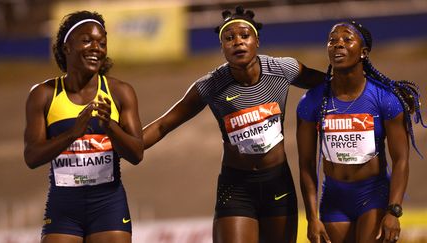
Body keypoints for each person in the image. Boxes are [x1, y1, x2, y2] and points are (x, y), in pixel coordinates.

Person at [142, 5, 325, 243]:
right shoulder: (211, 85)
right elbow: (163, 125)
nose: (237, 42)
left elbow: (332, 84)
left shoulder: (282, 69)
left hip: (277, 183)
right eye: (229, 38)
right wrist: (119, 147)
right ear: (222, 47)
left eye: (244, 36)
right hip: (236, 187)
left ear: (256, 40)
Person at [296, 21, 426, 243]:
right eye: (332, 40)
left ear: (364, 52)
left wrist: (394, 210)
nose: (338, 44)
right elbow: (306, 165)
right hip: (334, 198)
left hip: (373, 195)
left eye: (347, 39)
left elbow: (401, 159)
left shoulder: (385, 99)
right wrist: (311, 217)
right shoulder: (312, 102)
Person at [23, 11, 144, 243]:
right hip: (63, 209)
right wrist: (72, 134)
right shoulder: (43, 95)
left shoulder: (120, 92)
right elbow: (31, 156)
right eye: (87, 40)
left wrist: (110, 126)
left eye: (102, 43)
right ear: (66, 47)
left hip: (109, 206)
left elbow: (137, 153)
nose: (96, 47)